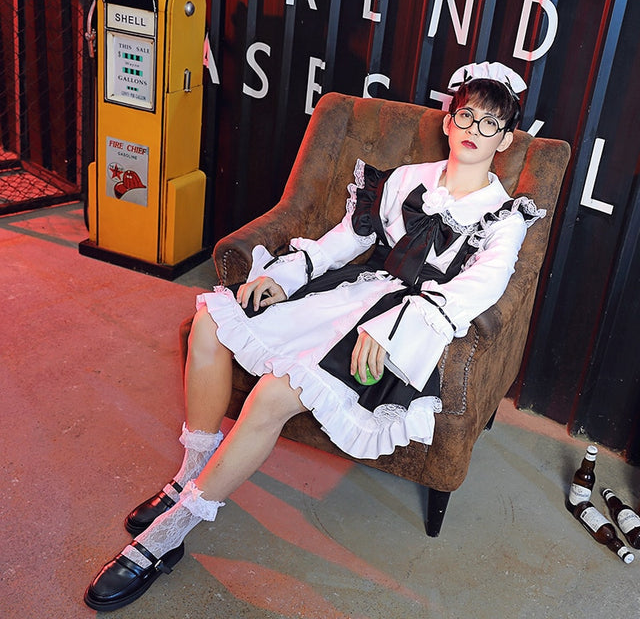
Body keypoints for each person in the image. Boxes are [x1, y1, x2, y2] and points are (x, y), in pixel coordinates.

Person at [84, 61, 545, 611]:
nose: (474, 129)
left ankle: (166, 537)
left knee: (271, 394)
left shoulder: (504, 217)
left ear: (507, 138)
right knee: (211, 322)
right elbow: (345, 242)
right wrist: (282, 276)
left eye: (490, 122)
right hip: (359, 292)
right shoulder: (404, 181)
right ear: (448, 120)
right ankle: (187, 479)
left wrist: (394, 328)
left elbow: (478, 291)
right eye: (466, 114)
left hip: (411, 324)